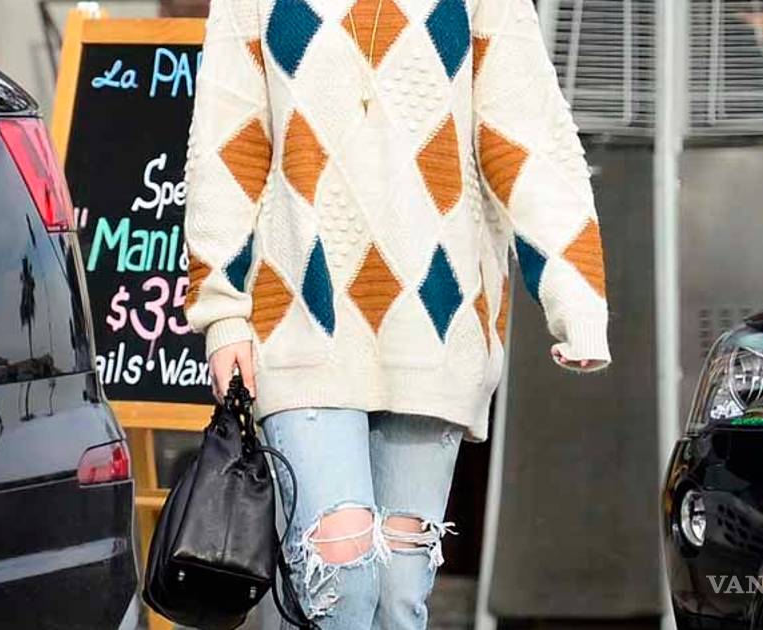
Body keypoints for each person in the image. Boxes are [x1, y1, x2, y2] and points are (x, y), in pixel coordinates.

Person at [181, 0, 611, 623]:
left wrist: (576, 298)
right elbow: (228, 144)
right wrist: (222, 316)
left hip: (436, 326)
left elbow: (526, 136)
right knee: (341, 571)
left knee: (400, 594)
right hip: (300, 319)